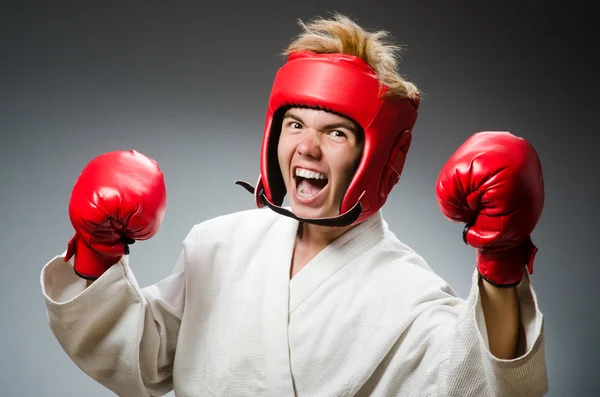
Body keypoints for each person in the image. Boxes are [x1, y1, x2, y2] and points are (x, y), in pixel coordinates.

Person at [40, 14, 548, 397]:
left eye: (335, 132)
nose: (306, 147)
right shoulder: (218, 245)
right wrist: (97, 251)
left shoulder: (407, 294)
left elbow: (479, 384)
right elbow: (141, 360)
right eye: (295, 124)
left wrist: (501, 262)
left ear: (377, 157)